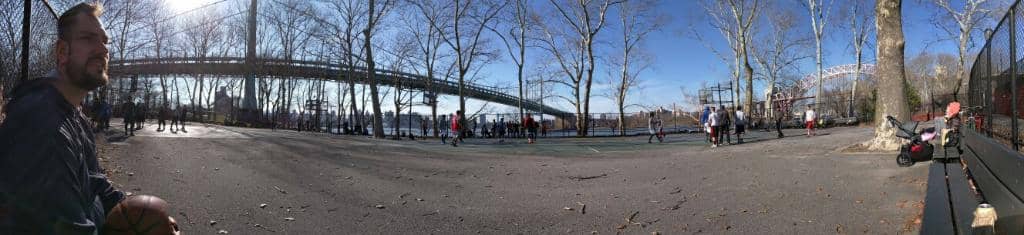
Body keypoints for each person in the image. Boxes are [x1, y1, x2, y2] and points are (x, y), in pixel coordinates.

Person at [0, 3, 175, 233]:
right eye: (89, 38)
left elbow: (95, 180)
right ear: (62, 52)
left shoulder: (75, 116)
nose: (103, 49)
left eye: (105, 41)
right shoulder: (43, 126)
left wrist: (128, 208)